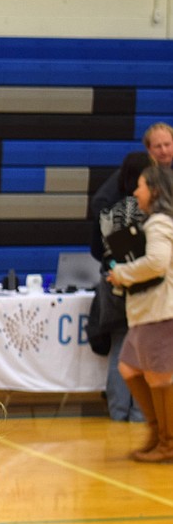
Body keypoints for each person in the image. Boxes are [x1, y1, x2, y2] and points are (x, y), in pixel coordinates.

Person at [107, 164, 173, 463]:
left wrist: (122, 273)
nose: (135, 192)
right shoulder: (156, 221)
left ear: (155, 190)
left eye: (141, 186)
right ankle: (157, 432)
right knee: (129, 368)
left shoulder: (159, 222)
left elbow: (158, 262)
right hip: (147, 313)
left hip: (159, 311)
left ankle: (168, 443)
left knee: (161, 378)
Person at [91, 151, 152, 422]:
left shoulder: (107, 209)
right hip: (142, 287)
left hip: (112, 286)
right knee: (144, 352)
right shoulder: (147, 211)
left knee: (119, 349)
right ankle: (140, 413)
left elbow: (95, 249)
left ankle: (117, 411)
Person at [89, 122, 173, 246]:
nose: (164, 151)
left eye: (167, 145)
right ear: (148, 149)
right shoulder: (133, 171)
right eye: (158, 146)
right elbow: (99, 203)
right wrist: (121, 235)